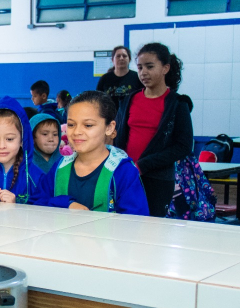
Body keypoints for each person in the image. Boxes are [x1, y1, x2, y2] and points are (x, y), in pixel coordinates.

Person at [36, 91, 148, 215]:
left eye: (88, 125)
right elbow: (36, 203)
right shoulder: (59, 168)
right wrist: (66, 204)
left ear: (109, 128)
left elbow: (136, 221)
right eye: (71, 124)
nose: (77, 131)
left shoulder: (123, 172)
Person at [114, 42, 193, 217]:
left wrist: (143, 165)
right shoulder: (129, 100)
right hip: (126, 175)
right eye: (140, 67)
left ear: (165, 68)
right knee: (123, 226)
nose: (143, 73)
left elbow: (184, 146)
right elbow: (117, 137)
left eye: (150, 67)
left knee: (152, 230)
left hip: (157, 180)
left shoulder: (178, 104)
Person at [96, 45, 143, 113]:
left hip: (131, 115)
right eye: (118, 56)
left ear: (129, 59)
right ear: (112, 60)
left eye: (124, 56)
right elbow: (98, 99)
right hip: (110, 116)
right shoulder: (105, 78)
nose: (121, 58)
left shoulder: (137, 77)